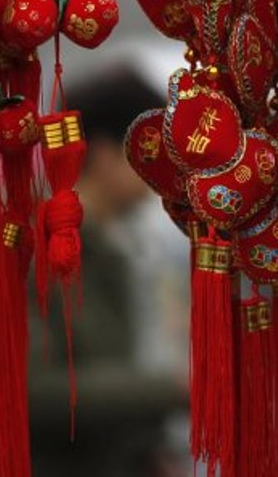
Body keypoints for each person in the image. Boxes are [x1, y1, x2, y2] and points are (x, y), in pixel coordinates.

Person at [28, 65, 189, 477]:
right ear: (104, 155)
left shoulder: (116, 245)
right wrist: (173, 389)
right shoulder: (36, 252)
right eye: (150, 155)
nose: (162, 174)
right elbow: (33, 393)